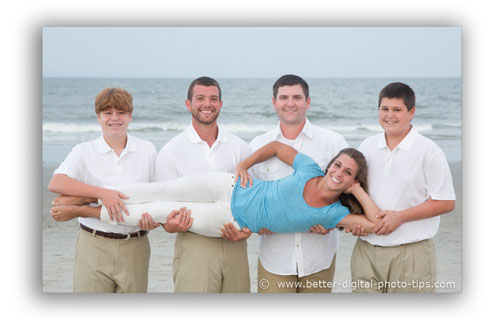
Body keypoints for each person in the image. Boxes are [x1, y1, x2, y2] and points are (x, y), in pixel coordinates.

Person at [59, 142, 380, 239]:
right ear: (329, 165)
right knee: (156, 190)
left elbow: (375, 223)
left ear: (353, 181)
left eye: (348, 173)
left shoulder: (334, 213)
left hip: (228, 220)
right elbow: (278, 147)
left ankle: (82, 210)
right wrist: (244, 164)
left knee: (157, 211)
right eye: (337, 165)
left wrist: (359, 192)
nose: (338, 173)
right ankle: (94, 194)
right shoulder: (310, 168)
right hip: (226, 184)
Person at [47, 88, 158, 293]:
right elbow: (56, 182)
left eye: (121, 112)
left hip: (135, 245)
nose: (114, 118)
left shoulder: (147, 150)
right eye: (108, 113)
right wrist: (101, 193)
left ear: (130, 116)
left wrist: (154, 219)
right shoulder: (84, 151)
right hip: (93, 243)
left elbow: (156, 195)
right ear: (98, 117)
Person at [350, 82, 456, 293]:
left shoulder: (429, 151)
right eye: (384, 109)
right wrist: (354, 222)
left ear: (411, 112)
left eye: (397, 110)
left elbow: (446, 202)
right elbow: (356, 190)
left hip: (411, 255)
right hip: (366, 251)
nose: (389, 116)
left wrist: (401, 216)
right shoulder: (367, 146)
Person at [248, 74, 350, 293]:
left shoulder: (333, 142)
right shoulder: (258, 145)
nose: (290, 103)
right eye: (283, 97)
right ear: (274, 102)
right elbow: (252, 197)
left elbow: (346, 192)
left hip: (319, 255)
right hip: (274, 257)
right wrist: (257, 222)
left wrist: (332, 223)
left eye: (297, 97)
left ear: (308, 102)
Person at [153, 76, 250, 293]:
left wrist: (248, 230)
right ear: (189, 104)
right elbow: (164, 209)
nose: (207, 104)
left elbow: (251, 197)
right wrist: (170, 225)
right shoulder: (171, 151)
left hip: (235, 241)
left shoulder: (240, 147)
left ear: (220, 104)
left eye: (213, 98)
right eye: (200, 98)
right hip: (194, 242)